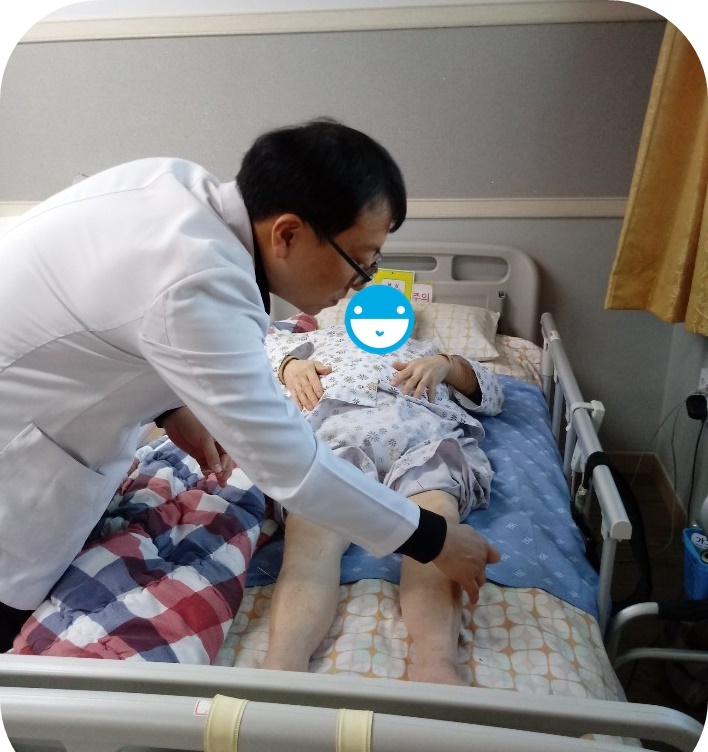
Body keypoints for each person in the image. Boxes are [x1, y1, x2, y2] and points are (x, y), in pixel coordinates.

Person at [0, 122, 497, 650]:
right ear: (287, 234)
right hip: (21, 457)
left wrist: (170, 407)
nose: (362, 283)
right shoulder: (203, 287)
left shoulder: (173, 185)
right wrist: (435, 540)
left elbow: (115, 317)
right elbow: (293, 467)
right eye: (360, 261)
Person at [261, 319, 503, 684]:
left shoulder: (427, 350)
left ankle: (437, 665)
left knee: (437, 521)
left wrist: (447, 366)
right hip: (335, 435)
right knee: (311, 536)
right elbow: (242, 357)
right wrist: (289, 366)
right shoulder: (313, 340)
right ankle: (282, 667)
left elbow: (493, 396)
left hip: (422, 434)